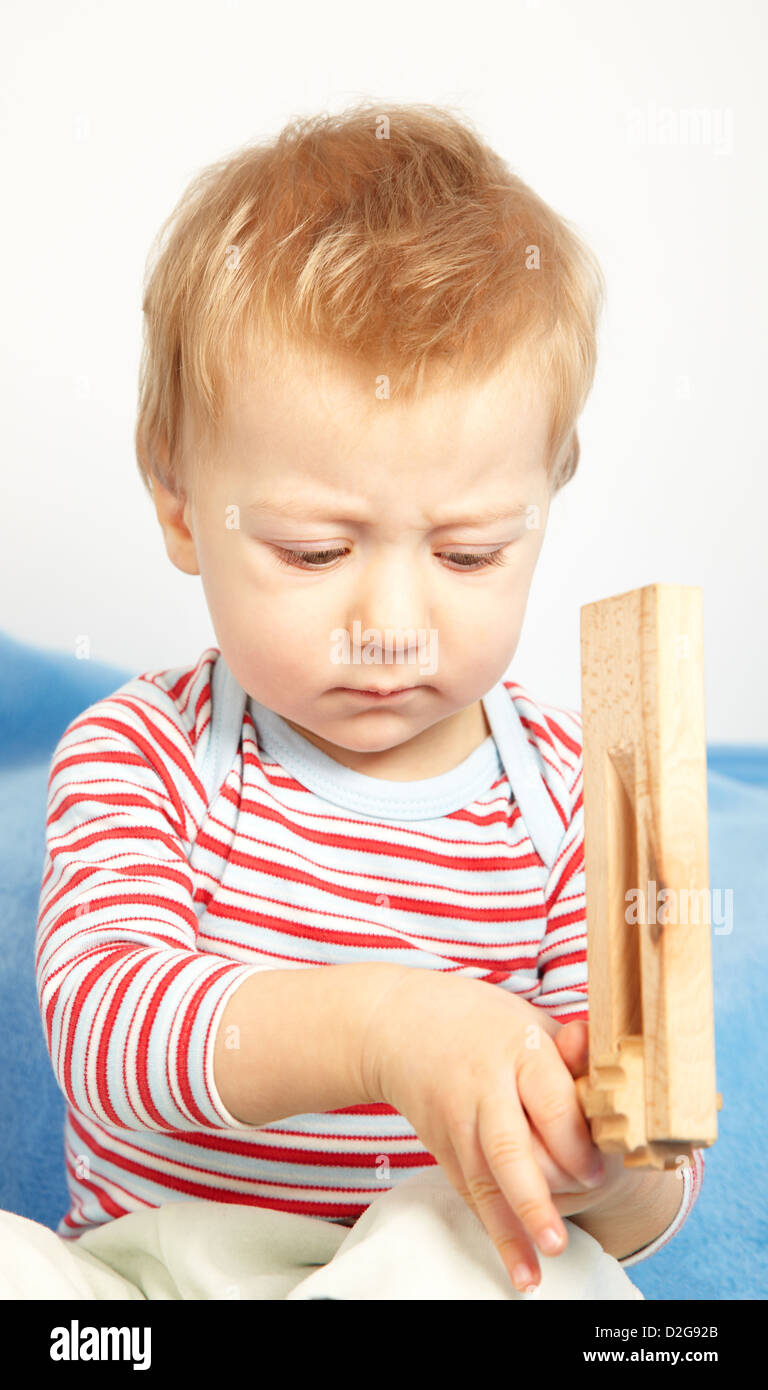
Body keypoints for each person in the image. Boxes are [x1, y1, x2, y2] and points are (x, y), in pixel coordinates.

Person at [1, 101, 703, 1301]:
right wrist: (388, 1026)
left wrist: (604, 1166)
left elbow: (654, 1182)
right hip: (144, 1279)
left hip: (428, 1271)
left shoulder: (578, 799)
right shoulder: (143, 753)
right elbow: (107, 1029)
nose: (390, 626)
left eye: (471, 554)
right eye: (316, 551)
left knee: (513, 1266)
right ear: (181, 504)